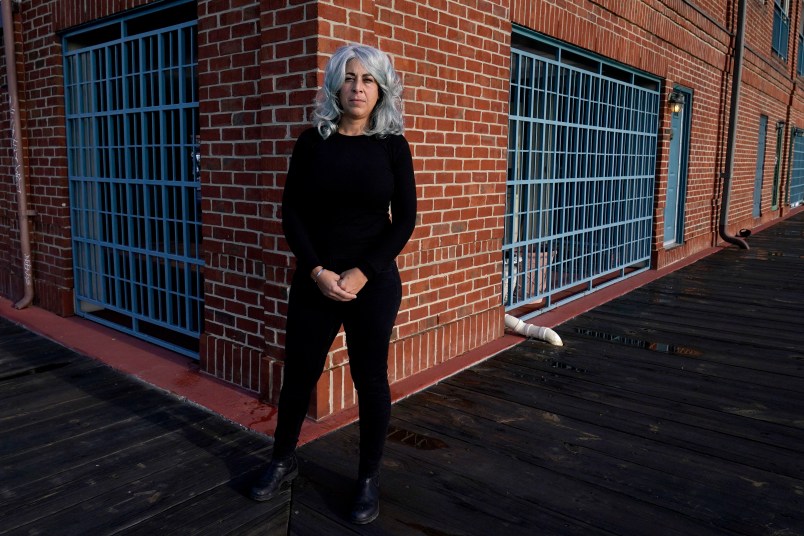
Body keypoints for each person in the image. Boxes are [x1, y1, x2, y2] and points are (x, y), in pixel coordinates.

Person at [249, 44, 417, 525]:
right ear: (334, 86)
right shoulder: (311, 143)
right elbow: (292, 214)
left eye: (367, 79)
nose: (357, 87)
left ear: (380, 87)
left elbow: (404, 220)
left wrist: (362, 272)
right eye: (349, 78)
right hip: (315, 279)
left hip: (373, 281)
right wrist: (318, 270)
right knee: (299, 374)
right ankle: (282, 461)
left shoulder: (392, 145)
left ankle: (367, 479)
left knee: (370, 379)